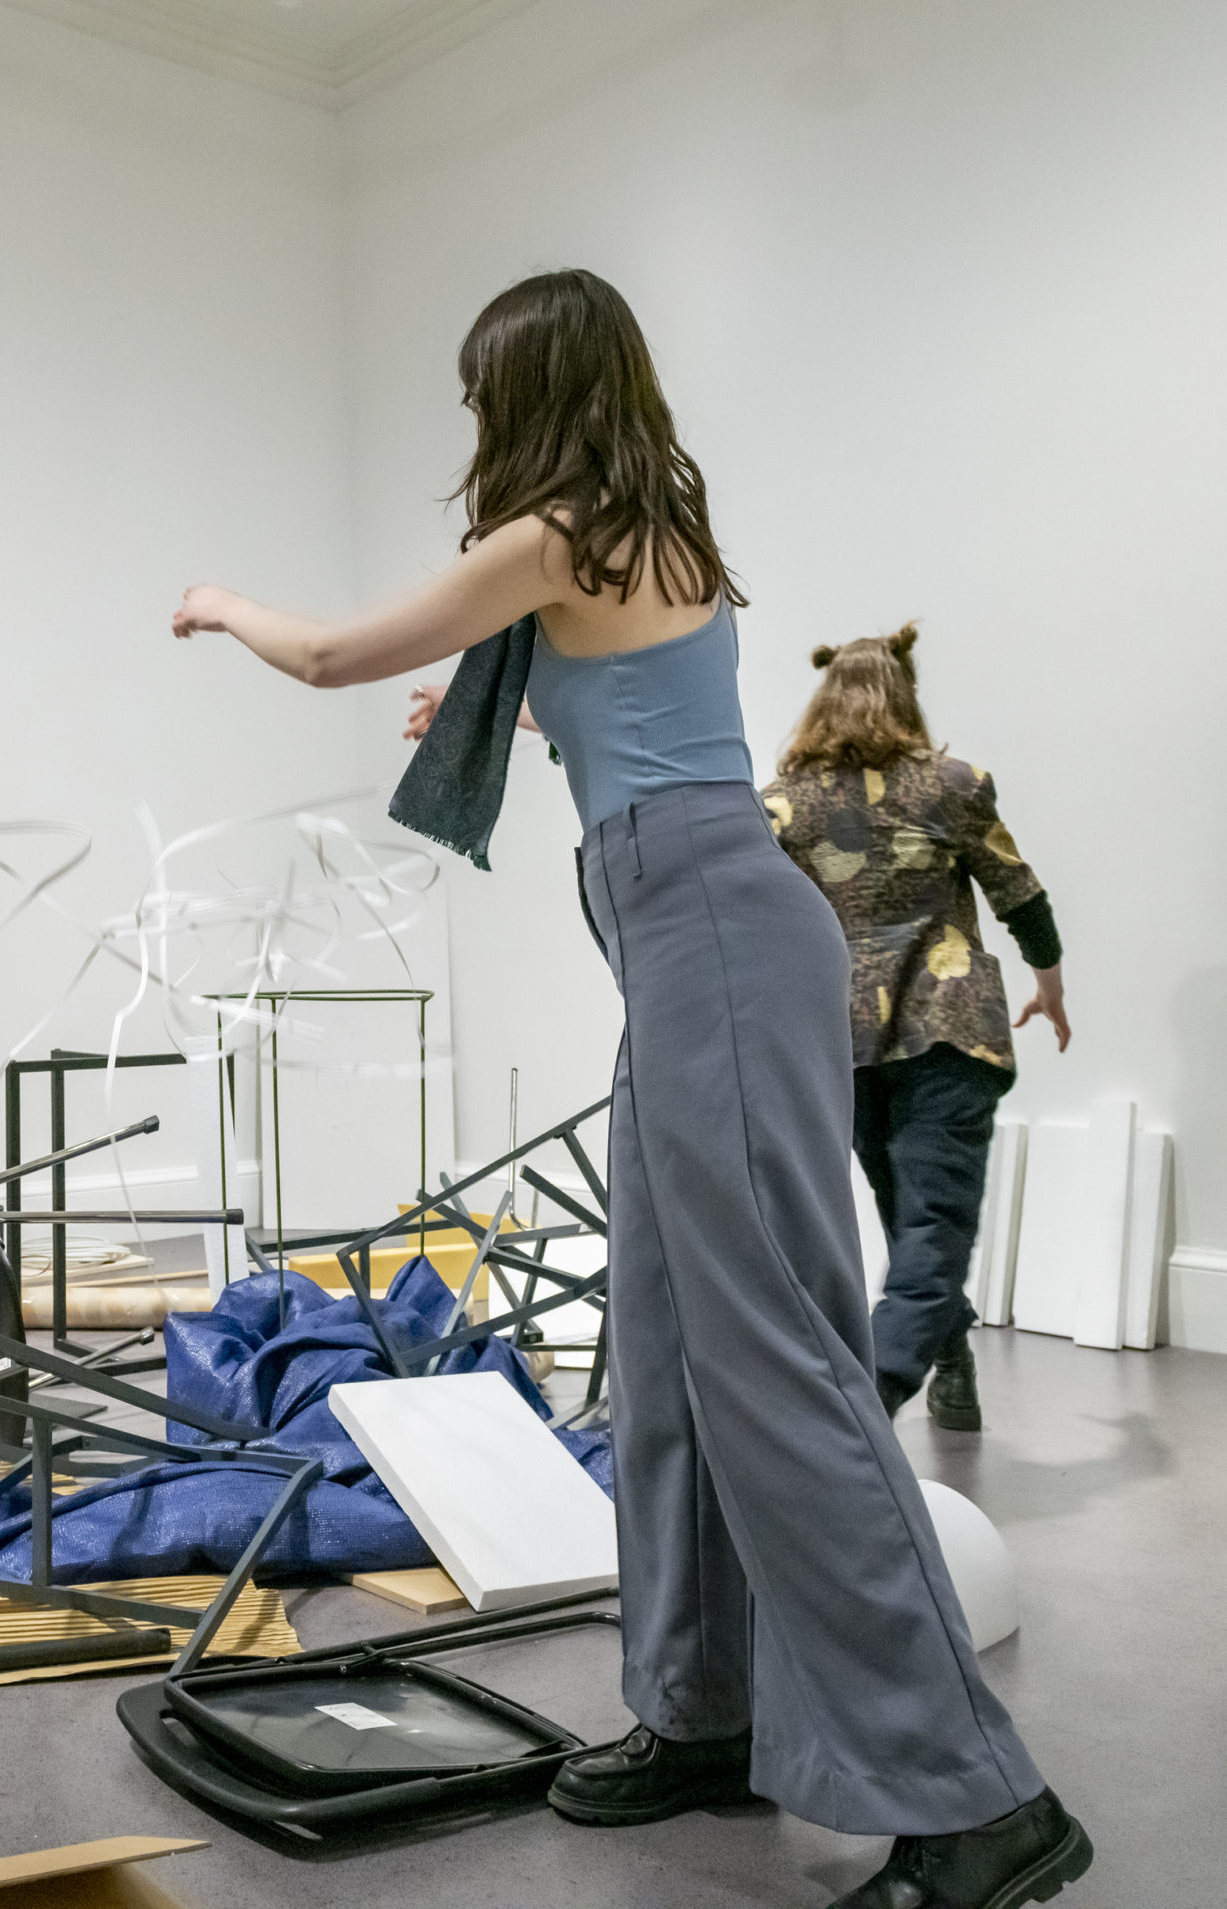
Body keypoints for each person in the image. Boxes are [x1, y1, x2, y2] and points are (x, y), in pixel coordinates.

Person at [172, 270, 1090, 1909]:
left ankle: (975, 1795)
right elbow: (635, 722)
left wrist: (221, 602)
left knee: (783, 1368)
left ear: (529, 391)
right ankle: (704, 1706)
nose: (475, 426)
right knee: (662, 1350)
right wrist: (508, 704)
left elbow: (319, 655)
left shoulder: (555, 534)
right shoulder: (651, 535)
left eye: (483, 396)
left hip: (717, 937)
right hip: (686, 935)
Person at [765, 626, 1067, 1433]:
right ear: (906, 693)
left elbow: (762, 927)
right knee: (925, 1223)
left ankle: (873, 1399)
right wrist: (1052, 987)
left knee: (911, 1217)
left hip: (844, 1046)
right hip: (948, 1031)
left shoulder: (782, 807)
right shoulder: (954, 784)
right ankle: (922, 1372)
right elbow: (1020, 893)